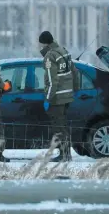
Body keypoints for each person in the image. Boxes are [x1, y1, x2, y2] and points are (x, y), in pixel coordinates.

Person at [39, 31, 77, 162]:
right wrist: (74, 90)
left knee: (58, 127)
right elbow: (74, 72)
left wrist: (47, 99)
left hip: (57, 99)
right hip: (67, 96)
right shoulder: (64, 51)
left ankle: (64, 155)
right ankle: (66, 154)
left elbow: (52, 81)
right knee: (64, 126)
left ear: (45, 43)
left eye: (41, 44)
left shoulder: (50, 56)